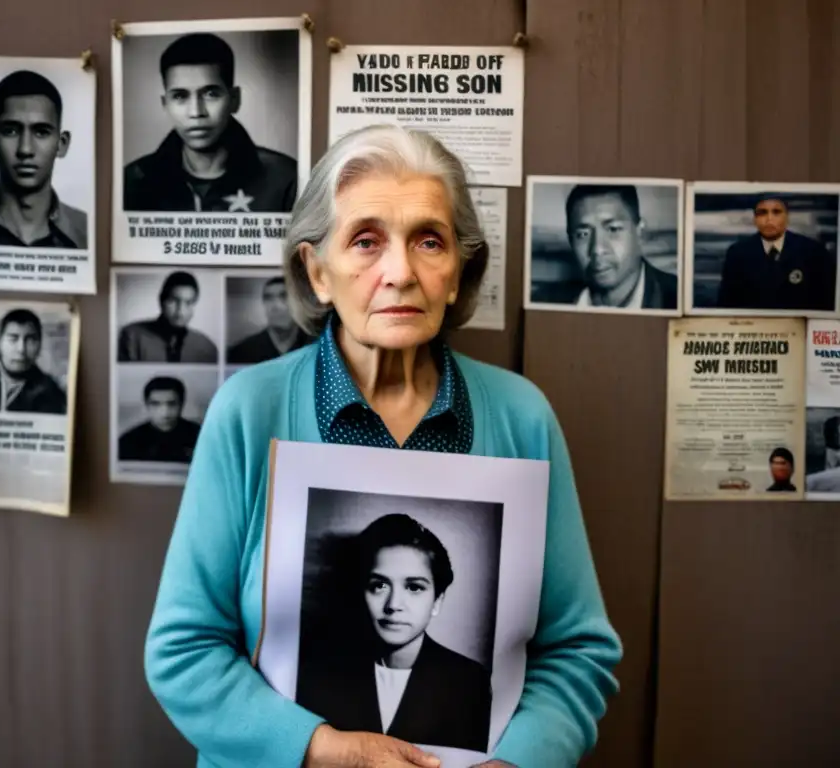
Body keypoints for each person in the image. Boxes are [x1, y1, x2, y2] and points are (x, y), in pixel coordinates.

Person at [143, 124, 622, 768]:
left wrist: (520, 762)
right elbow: (183, 651)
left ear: (458, 273)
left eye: (429, 241)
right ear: (317, 272)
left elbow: (577, 651)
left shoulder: (522, 417)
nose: (400, 272)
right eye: (365, 241)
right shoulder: (248, 412)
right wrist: (319, 750)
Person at [296, 514, 492, 753]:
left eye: (414, 587)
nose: (394, 604)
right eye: (378, 585)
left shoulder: (469, 683)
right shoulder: (319, 674)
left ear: (437, 601)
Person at [123, 32, 297, 213]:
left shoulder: (284, 179)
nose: (196, 112)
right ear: (165, 104)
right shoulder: (134, 182)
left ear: (234, 99)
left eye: (211, 94)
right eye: (180, 96)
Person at [0, 70, 88, 249]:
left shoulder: (87, 232)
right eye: (10, 131)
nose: (25, 149)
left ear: (62, 144)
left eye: (41, 132)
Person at [533, 184, 678, 309]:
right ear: (570, 240)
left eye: (613, 229)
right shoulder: (541, 302)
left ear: (640, 232)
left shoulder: (682, 298)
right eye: (583, 234)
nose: (597, 249)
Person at [716, 194, 836, 311]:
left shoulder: (813, 251)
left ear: (787, 217)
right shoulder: (737, 253)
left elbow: (826, 302)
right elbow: (726, 303)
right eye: (762, 213)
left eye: (776, 212)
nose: (769, 219)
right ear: (755, 219)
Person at [0, 308, 66, 414]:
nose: (21, 349)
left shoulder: (52, 394)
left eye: (30, 340)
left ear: (40, 344)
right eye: (13, 339)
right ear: (0, 342)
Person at [117, 271, 218, 363]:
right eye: (174, 301)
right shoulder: (131, 337)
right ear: (161, 301)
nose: (180, 310)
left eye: (188, 303)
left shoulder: (207, 347)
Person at [228, 276, 314, 363]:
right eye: (268, 298)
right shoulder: (242, 351)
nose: (276, 306)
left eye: (283, 296)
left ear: (298, 302)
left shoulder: (315, 346)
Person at [118, 375, 201, 463]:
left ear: (182, 404)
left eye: (172, 404)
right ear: (146, 405)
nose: (164, 412)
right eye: (155, 404)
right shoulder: (128, 442)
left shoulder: (200, 436)